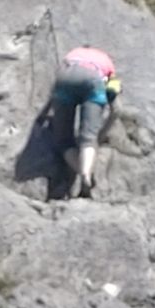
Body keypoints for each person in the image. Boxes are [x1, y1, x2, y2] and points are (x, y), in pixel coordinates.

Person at [51, 46, 119, 199]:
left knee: (64, 141)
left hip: (66, 77)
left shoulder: (72, 54)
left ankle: (80, 169)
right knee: (88, 138)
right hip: (93, 78)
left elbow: (57, 82)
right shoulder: (106, 60)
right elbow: (113, 92)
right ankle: (86, 175)